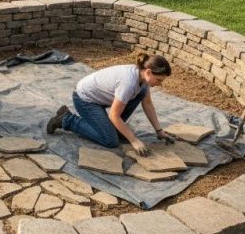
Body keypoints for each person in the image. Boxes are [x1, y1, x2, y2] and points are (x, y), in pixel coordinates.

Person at [46, 53, 174, 156]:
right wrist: (134, 140)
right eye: (159, 80)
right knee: (110, 140)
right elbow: (114, 115)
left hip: (103, 100)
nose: (160, 84)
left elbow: (147, 103)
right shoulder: (128, 83)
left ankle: (111, 128)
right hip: (85, 99)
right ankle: (67, 119)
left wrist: (159, 131)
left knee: (140, 98)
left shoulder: (143, 79)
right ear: (148, 72)